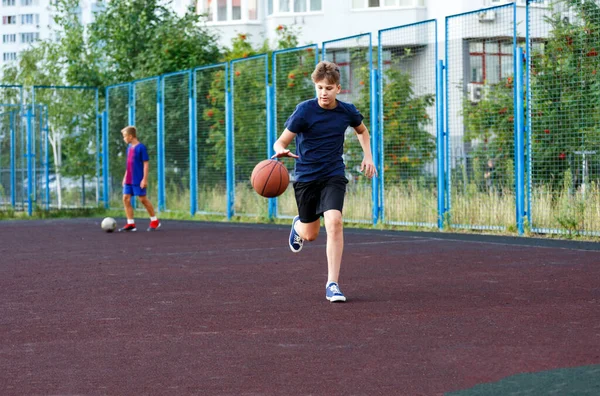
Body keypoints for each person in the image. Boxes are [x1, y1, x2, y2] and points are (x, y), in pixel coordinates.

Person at [272, 61, 377, 303]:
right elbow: (281, 142)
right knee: (310, 235)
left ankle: (332, 284)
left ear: (338, 89)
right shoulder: (304, 111)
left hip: (333, 175)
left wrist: (368, 156)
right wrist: (280, 151)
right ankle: (299, 225)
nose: (323, 93)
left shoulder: (347, 111)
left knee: (335, 221)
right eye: (319, 88)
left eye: (328, 88)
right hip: (307, 178)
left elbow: (362, 131)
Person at [118, 126, 161, 232]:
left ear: (131, 136)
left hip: (138, 178)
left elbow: (146, 164)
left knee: (142, 199)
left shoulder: (141, 148)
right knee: (126, 198)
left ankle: (154, 221)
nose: (124, 139)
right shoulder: (129, 148)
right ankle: (131, 224)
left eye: (124, 136)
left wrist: (144, 179)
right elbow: (129, 164)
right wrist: (125, 177)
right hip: (129, 178)